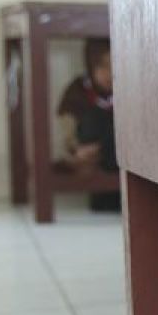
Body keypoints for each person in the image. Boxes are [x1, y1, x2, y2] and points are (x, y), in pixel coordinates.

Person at [55, 38, 119, 210]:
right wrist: (77, 149)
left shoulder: (128, 88)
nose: (108, 73)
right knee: (94, 117)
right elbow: (67, 126)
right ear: (91, 65)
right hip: (91, 159)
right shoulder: (78, 90)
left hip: (120, 158)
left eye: (114, 65)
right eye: (102, 66)